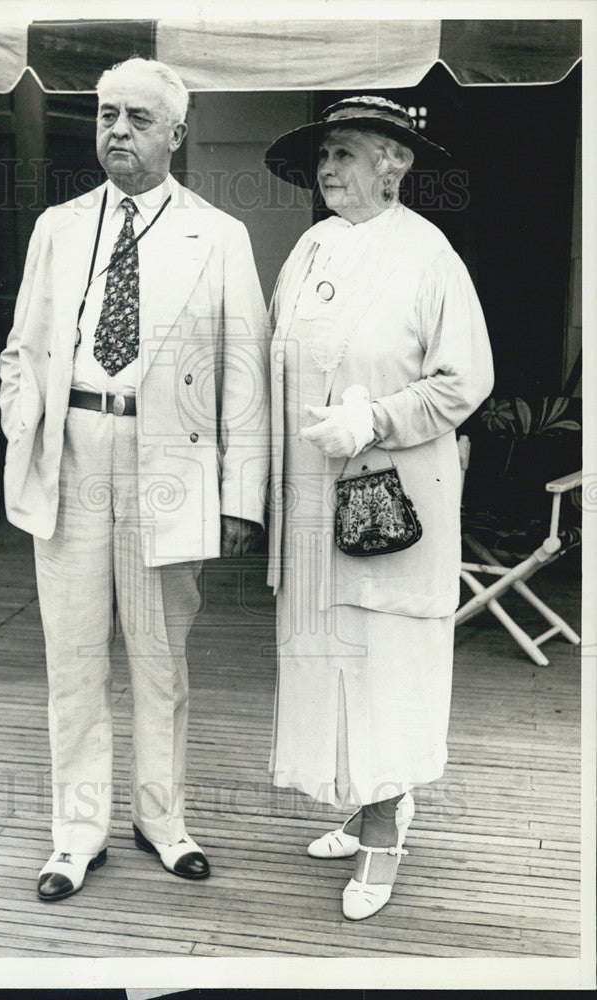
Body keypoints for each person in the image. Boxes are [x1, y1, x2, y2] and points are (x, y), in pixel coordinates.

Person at [0, 56, 269, 901]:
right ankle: (76, 835)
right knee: (74, 659)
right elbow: (22, 345)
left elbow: (246, 376)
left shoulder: (219, 236)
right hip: (72, 449)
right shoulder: (59, 226)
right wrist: (23, 421)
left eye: (139, 119)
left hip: (171, 466)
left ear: (176, 136)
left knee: (160, 658)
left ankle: (163, 819)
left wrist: (240, 496)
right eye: (107, 114)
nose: (117, 130)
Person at [264, 96, 494, 920]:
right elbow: (277, 362)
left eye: (348, 153)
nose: (329, 169)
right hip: (314, 507)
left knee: (387, 667)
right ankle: (369, 800)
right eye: (325, 155)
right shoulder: (311, 246)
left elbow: (465, 382)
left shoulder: (429, 255)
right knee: (332, 663)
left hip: (391, 504)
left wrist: (375, 417)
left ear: (394, 163)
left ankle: (384, 835)